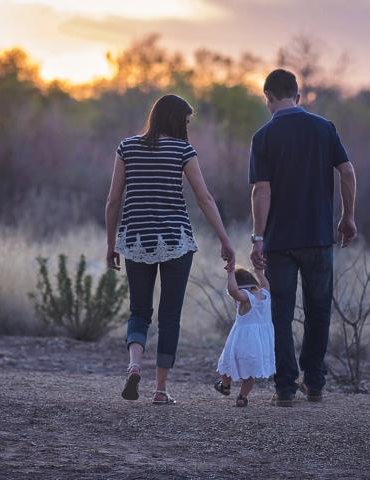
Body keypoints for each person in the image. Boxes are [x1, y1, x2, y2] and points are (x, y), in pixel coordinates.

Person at [105, 94, 235, 405]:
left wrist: (111, 244)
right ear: (177, 121)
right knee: (170, 316)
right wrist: (225, 239)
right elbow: (204, 198)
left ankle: (135, 365)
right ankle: (160, 390)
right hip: (176, 241)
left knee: (139, 310)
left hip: (136, 239)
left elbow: (113, 200)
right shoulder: (182, 150)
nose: (188, 128)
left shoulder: (127, 147)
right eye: (187, 122)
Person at [249, 69, 357, 407]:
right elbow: (347, 171)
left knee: (281, 313)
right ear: (298, 95)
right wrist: (348, 216)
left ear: (267, 97)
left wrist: (257, 237)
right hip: (318, 237)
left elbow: (261, 191)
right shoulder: (324, 129)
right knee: (319, 310)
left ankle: (284, 387)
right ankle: (314, 383)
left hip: (280, 241)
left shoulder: (263, 136)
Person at [214, 266, 276, 407]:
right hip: (260, 344)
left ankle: (225, 385)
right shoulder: (266, 293)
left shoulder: (246, 298)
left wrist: (230, 273)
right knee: (250, 374)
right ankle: (242, 397)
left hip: (242, 341)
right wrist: (259, 271)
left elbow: (233, 291)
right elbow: (265, 283)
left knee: (226, 363)